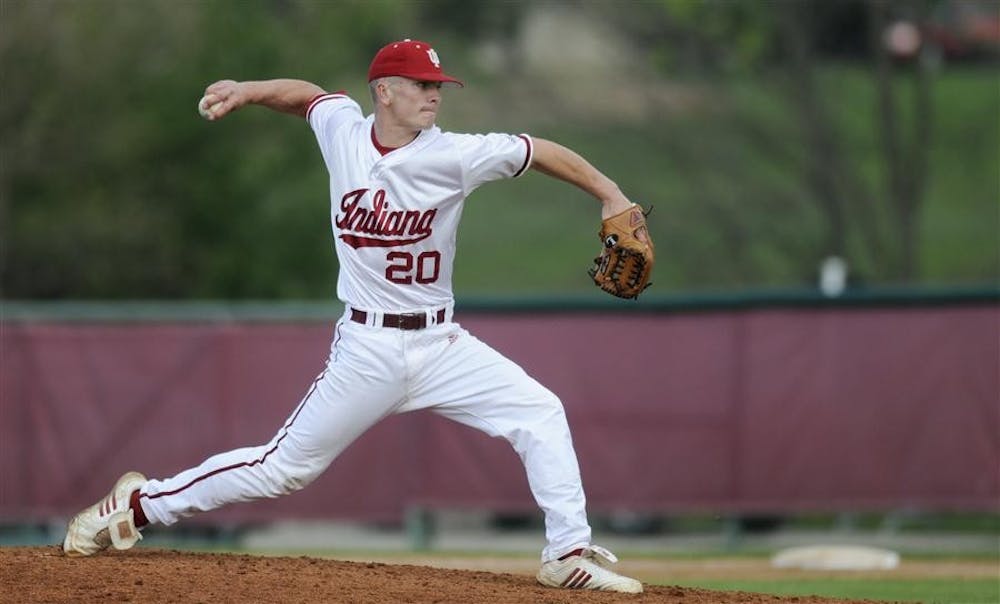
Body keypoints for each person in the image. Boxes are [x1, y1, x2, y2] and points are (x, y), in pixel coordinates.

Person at [63, 39, 643, 594]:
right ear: (384, 91)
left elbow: (536, 150)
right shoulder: (343, 129)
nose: (434, 94)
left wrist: (610, 193)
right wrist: (248, 89)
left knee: (540, 411)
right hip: (367, 350)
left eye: (438, 85)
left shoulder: (455, 154)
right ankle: (139, 506)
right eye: (421, 84)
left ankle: (567, 555)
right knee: (283, 469)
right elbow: (307, 97)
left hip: (442, 345)